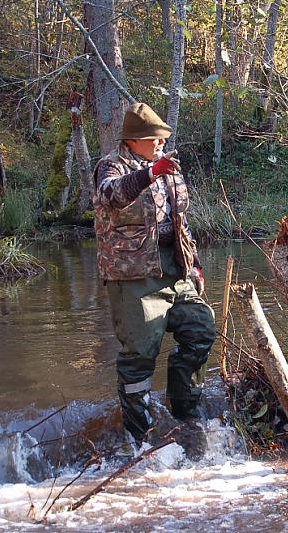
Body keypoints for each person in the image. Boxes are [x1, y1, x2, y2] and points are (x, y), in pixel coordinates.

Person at [93, 102, 216, 451]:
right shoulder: (111, 165)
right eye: (153, 138)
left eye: (163, 138)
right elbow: (111, 194)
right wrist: (151, 173)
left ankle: (185, 415)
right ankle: (140, 439)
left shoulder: (169, 168)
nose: (161, 143)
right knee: (140, 354)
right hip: (133, 277)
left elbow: (182, 223)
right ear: (133, 140)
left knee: (200, 329)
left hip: (176, 269)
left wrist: (195, 266)